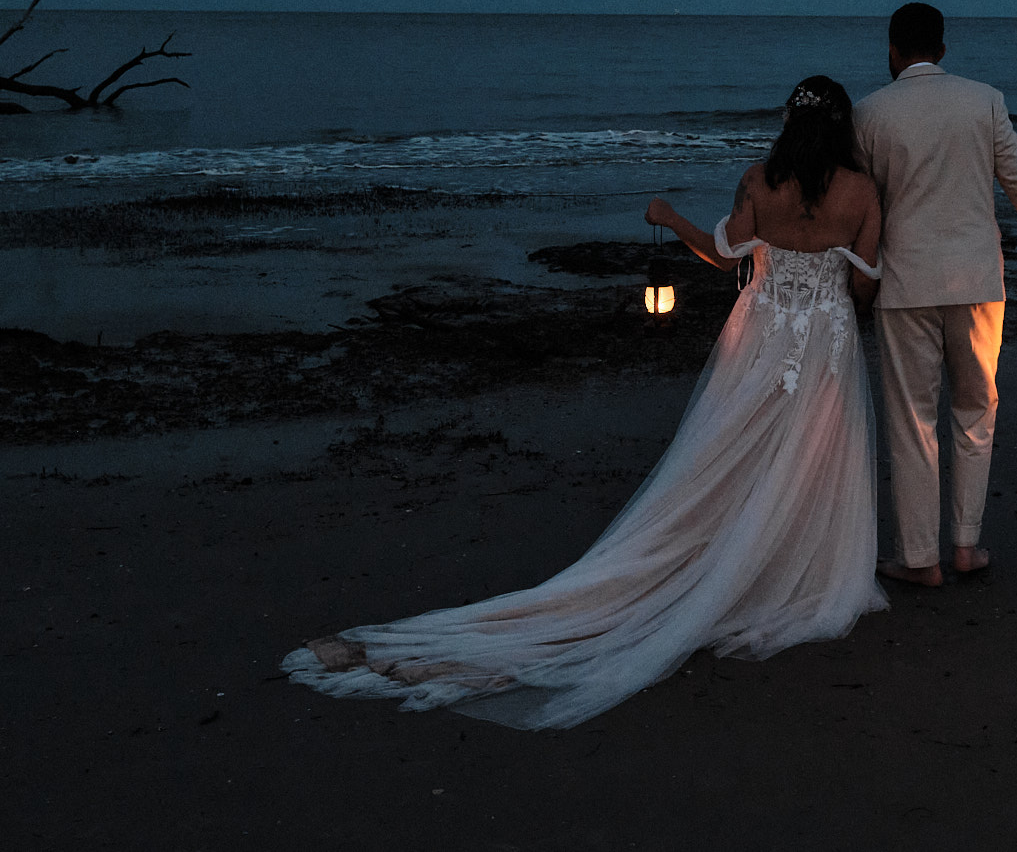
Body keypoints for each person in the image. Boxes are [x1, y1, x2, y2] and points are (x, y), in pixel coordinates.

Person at [284, 76, 886, 730]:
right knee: (808, 453)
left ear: (787, 122)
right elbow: (861, 281)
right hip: (825, 338)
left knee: (728, 453)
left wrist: (669, 217)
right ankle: (780, 564)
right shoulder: (862, 192)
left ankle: (725, 557)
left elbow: (721, 255)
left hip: (762, 332)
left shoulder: (758, 179)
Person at [853, 3, 1017, 588]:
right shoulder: (983, 100)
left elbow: (861, 204)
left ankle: (918, 557)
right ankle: (964, 545)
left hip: (904, 283)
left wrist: (847, 271)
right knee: (975, 412)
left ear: (891, 48)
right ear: (943, 48)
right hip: (978, 282)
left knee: (913, 421)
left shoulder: (870, 112)